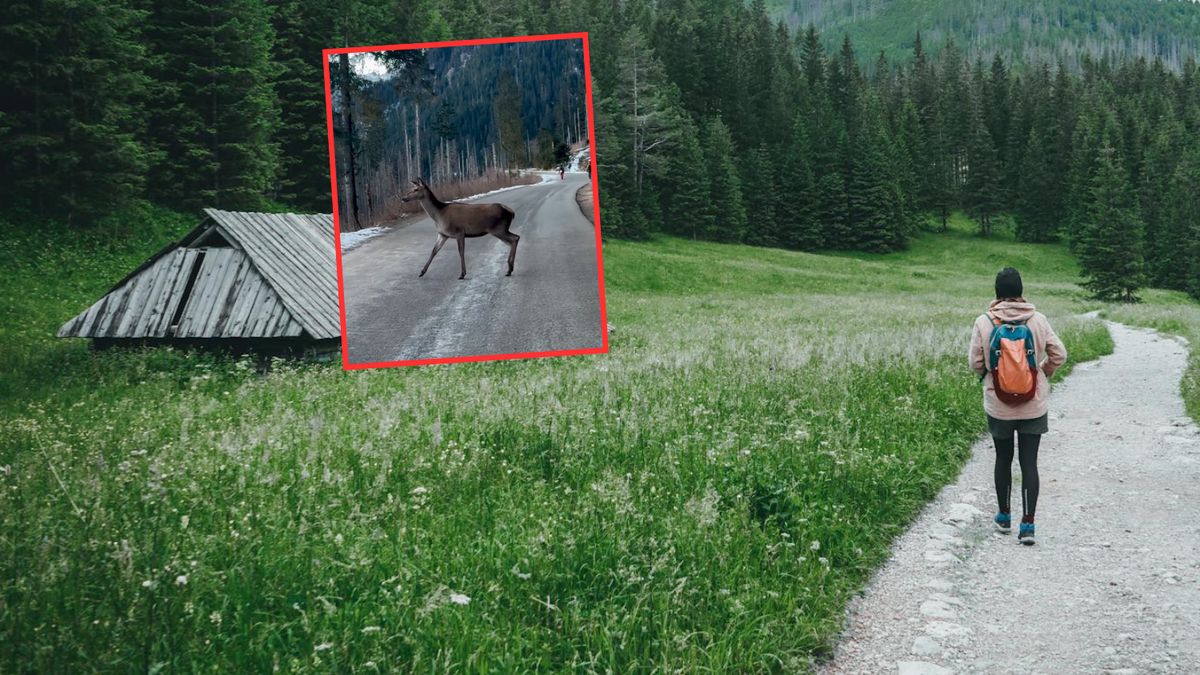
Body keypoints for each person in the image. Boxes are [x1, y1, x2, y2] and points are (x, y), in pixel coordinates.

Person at [968, 267, 1067, 545]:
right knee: (1029, 463)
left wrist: (990, 375)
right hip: (1033, 404)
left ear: (997, 293)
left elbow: (975, 363)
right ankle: (1028, 525)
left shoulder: (984, 322)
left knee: (1002, 458)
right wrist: (1043, 372)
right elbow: (1060, 354)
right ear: (1021, 292)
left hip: (998, 404)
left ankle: (1003, 516)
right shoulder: (1038, 320)